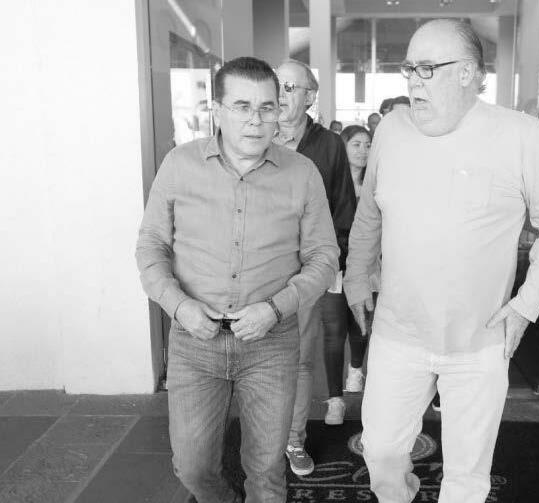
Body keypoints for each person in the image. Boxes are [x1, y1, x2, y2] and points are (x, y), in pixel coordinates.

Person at [344, 19, 539, 503]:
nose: (413, 81)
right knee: (381, 451)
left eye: (427, 68)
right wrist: (357, 278)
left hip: (479, 341)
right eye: (409, 68)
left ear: (468, 73)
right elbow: (369, 213)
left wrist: (526, 305)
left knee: (468, 474)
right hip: (398, 332)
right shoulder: (392, 129)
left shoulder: (520, 134)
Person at [135, 56, 339, 502]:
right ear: (217, 110)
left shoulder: (302, 173)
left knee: (266, 471)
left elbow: (324, 258)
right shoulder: (180, 165)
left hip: (271, 342)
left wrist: (275, 309)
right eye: (242, 107)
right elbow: (151, 247)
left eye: (267, 107)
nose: (256, 120)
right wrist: (179, 306)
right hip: (195, 341)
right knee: (191, 467)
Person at [274, 59, 358, 477]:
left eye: (291, 87)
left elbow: (344, 207)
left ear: (310, 97)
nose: (281, 94)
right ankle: (262, 439)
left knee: (300, 359)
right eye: (277, 84)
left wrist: (331, 264)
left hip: (306, 272)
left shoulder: (328, 145)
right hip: (258, 269)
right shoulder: (255, 135)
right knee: (259, 360)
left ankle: (293, 440)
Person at [319, 125, 380, 425]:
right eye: (356, 144)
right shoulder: (329, 184)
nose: (363, 150)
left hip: (368, 266)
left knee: (361, 323)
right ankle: (334, 400)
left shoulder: (376, 184)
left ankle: (356, 371)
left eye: (368, 144)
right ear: (342, 148)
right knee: (333, 331)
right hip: (335, 265)